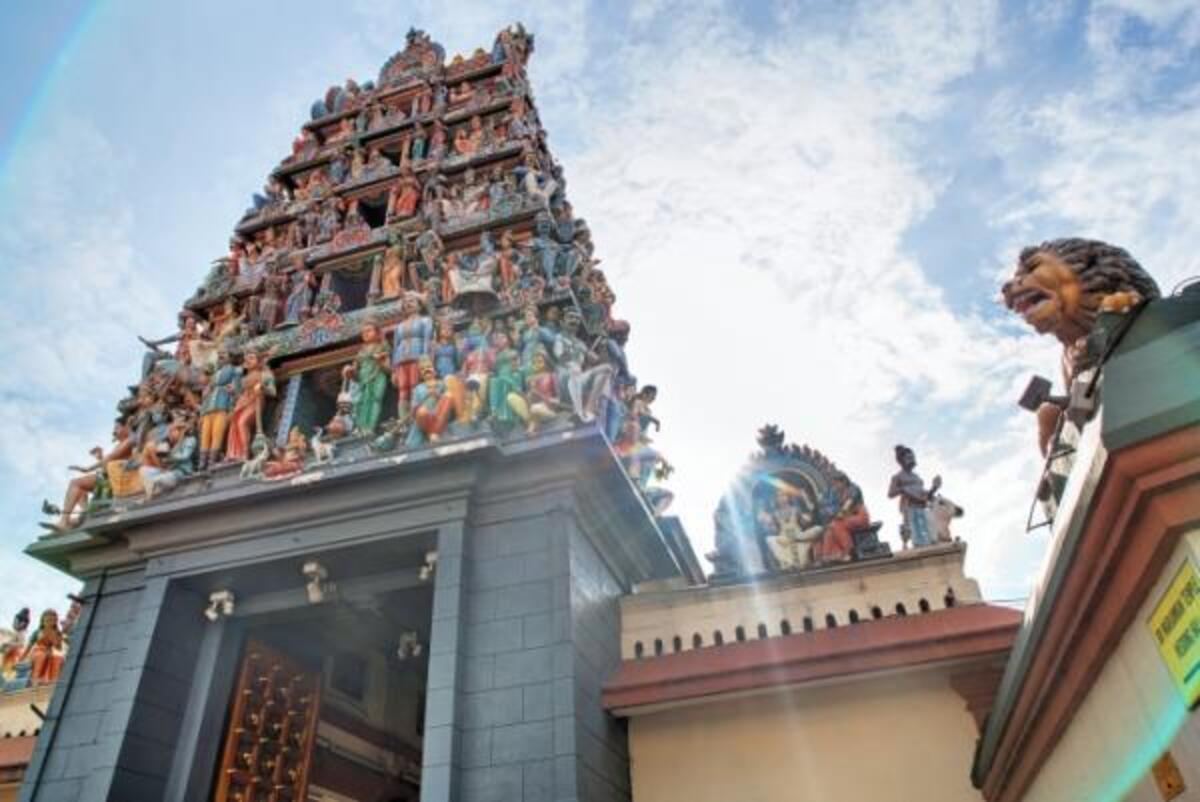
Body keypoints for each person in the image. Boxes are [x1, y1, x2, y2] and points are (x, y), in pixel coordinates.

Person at [225, 350, 275, 462]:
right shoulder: (243, 378)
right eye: (246, 359)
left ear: (259, 361)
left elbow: (273, 391)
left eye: (251, 358)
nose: (248, 360)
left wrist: (262, 387)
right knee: (235, 423)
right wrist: (233, 392)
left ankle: (245, 452)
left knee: (242, 422)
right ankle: (236, 453)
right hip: (242, 402)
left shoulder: (264, 373)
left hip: (255, 401)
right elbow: (240, 394)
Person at [888, 445, 941, 547]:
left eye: (913, 457)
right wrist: (904, 490)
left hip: (922, 508)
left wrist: (934, 487)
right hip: (910, 508)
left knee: (930, 535)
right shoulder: (898, 477)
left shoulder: (917, 478)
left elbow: (926, 496)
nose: (912, 460)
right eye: (909, 458)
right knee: (917, 537)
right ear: (901, 461)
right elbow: (891, 493)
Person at [342, 322, 390, 435]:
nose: (366, 334)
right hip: (363, 379)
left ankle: (369, 427)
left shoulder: (382, 348)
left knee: (375, 400)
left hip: (377, 377)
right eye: (363, 332)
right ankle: (360, 427)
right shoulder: (361, 352)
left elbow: (388, 369)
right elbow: (355, 373)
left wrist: (379, 362)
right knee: (360, 403)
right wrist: (349, 372)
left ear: (377, 333)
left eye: (369, 331)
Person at [390, 294, 433, 420]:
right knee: (403, 388)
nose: (408, 304)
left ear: (419, 305)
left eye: (412, 301)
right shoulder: (399, 326)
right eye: (406, 302)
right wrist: (393, 370)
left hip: (417, 357)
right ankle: (404, 419)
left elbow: (427, 340)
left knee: (416, 385)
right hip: (401, 359)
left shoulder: (425, 321)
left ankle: (416, 416)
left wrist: (425, 359)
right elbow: (395, 347)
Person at [814, 473, 869, 563]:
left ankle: (849, 551)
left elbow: (849, 503)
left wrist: (841, 513)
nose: (835, 486)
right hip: (845, 519)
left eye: (836, 483)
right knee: (829, 530)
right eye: (834, 484)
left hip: (859, 516)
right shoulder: (836, 493)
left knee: (836, 525)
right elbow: (827, 507)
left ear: (843, 481)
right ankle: (829, 556)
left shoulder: (853, 488)